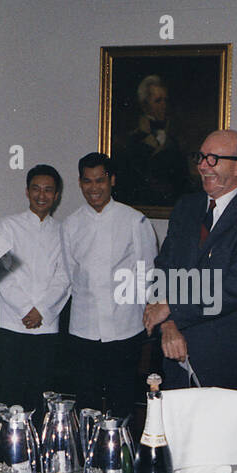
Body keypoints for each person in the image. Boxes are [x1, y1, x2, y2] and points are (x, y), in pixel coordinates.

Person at [144, 129, 237, 391]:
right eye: (201, 157)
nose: (203, 166)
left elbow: (234, 288)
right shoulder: (186, 207)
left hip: (225, 357)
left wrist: (171, 308)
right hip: (174, 348)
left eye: (213, 159)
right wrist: (169, 325)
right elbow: (165, 268)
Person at [61, 151, 158, 419]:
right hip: (84, 329)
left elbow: (147, 271)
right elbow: (71, 275)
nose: (94, 188)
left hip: (125, 328)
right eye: (88, 181)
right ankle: (89, 458)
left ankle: (120, 459)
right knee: (86, 402)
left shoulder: (134, 220)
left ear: (112, 180)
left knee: (122, 400)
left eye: (100, 180)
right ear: (80, 183)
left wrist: (147, 312)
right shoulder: (71, 224)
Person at [0, 164, 71, 417]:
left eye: (48, 190)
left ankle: (37, 454)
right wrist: (27, 309)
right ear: (27, 192)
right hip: (11, 324)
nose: (42, 195)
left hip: (46, 325)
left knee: (41, 396)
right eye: (36, 189)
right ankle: (6, 454)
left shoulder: (63, 231)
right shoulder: (7, 226)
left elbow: (64, 277)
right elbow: (1, 273)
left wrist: (42, 310)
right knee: (9, 395)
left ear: (56, 195)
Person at [113, 73, 191, 209]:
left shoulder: (174, 140)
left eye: (165, 100)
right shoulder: (131, 140)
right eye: (158, 101)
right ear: (145, 105)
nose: (164, 106)